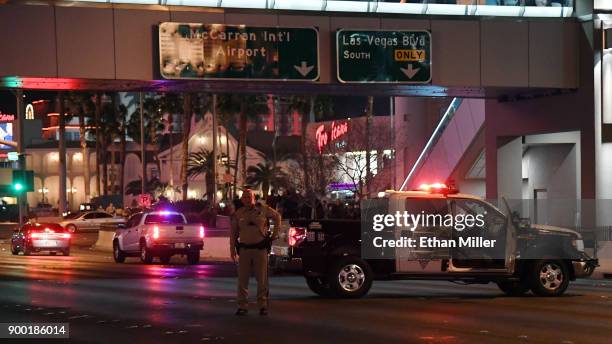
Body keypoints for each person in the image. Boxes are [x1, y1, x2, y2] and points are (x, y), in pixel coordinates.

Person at [230, 189, 281, 316]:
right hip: (245, 250)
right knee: (242, 280)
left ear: (254, 198)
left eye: (249, 197)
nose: (247, 199)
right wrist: (232, 249)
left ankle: (262, 305)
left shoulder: (263, 209)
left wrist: (274, 235)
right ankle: (242, 306)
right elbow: (233, 233)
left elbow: (277, 217)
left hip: (260, 249)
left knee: (262, 279)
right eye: (245, 197)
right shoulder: (239, 213)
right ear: (242, 200)